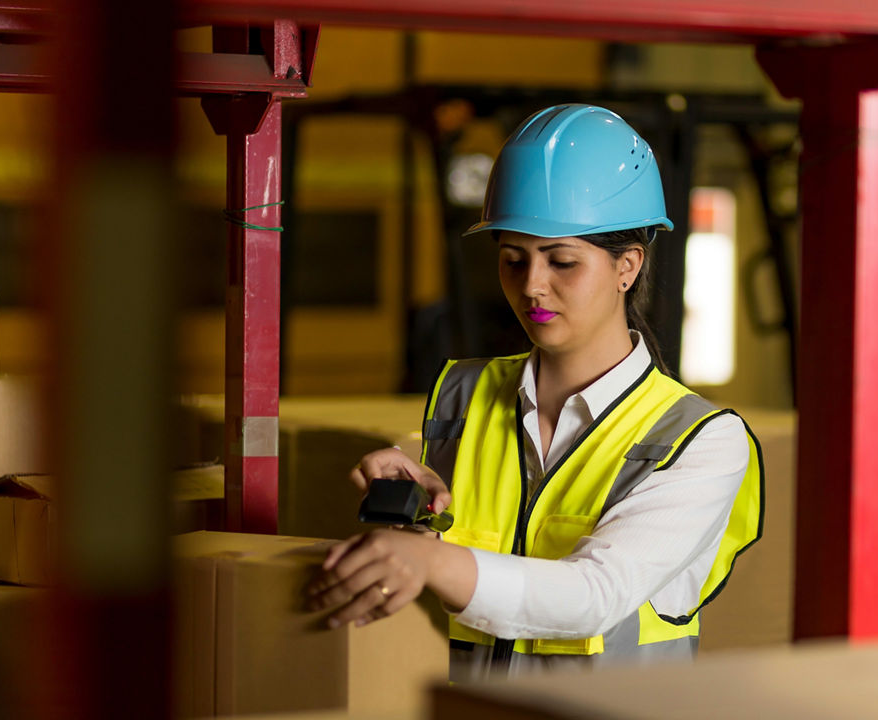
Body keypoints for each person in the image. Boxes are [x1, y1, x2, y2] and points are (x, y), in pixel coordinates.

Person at [306, 103, 763, 680]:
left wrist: (429, 556)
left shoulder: (701, 441)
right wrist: (410, 518)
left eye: (562, 262)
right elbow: (458, 582)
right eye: (512, 260)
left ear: (628, 266)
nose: (532, 287)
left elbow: (595, 595)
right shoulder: (464, 395)